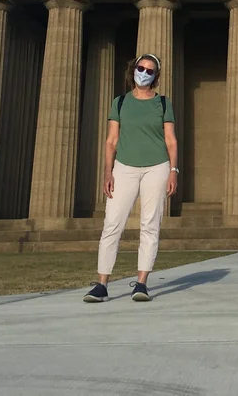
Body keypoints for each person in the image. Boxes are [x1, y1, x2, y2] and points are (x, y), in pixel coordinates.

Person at [84, 53, 178, 303]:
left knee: (150, 225)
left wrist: (173, 170)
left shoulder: (164, 103)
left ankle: (141, 283)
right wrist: (107, 172)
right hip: (124, 167)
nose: (144, 74)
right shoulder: (121, 102)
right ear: (133, 70)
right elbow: (111, 140)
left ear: (156, 76)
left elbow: (170, 140)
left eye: (150, 71)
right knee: (112, 224)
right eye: (141, 68)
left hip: (157, 167)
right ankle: (101, 284)